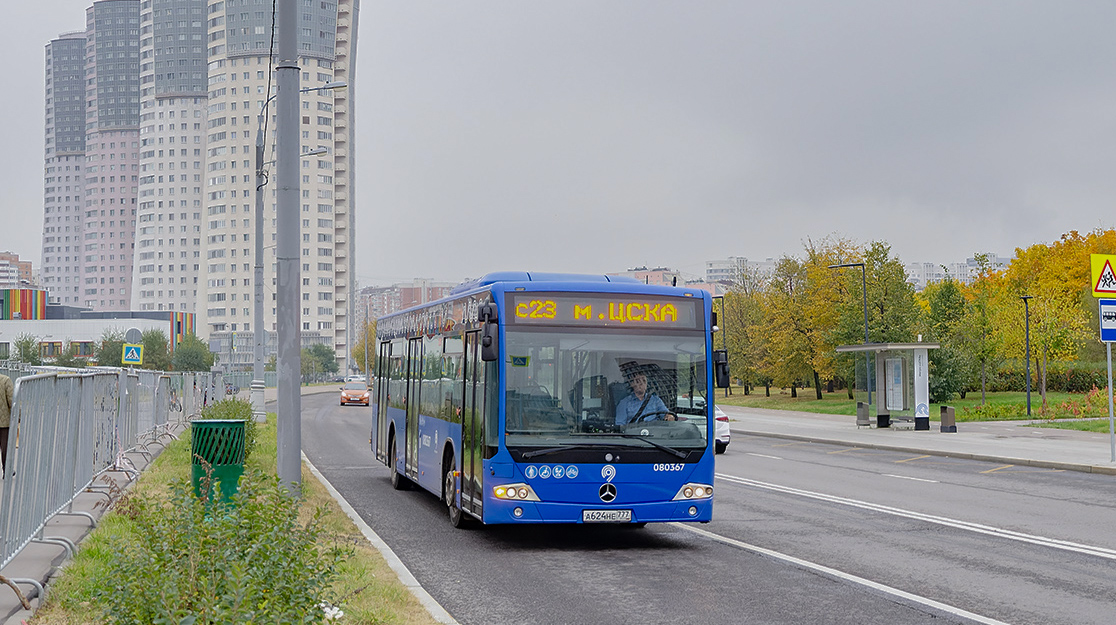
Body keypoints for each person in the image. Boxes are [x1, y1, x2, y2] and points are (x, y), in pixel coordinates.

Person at [0, 372, 12, 474]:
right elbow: (12, 401)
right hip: (4, 423)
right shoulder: (6, 380)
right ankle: (6, 470)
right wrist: (19, 416)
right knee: (5, 448)